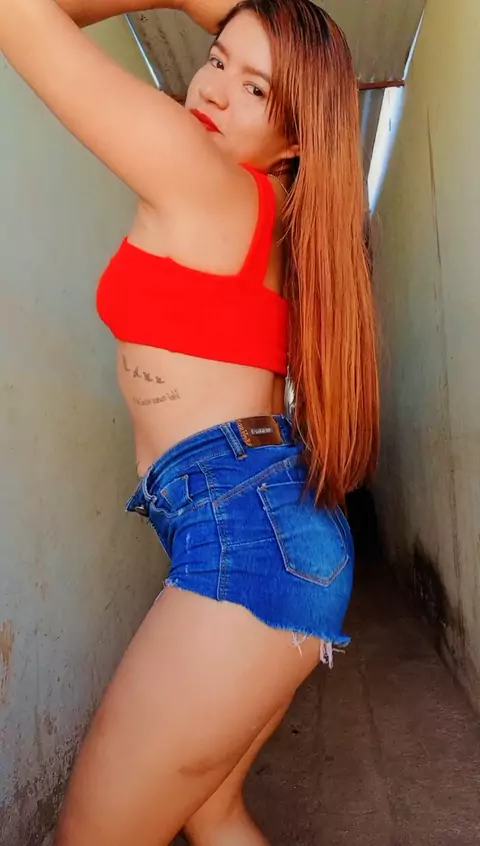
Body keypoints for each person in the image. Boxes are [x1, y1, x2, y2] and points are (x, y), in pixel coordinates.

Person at [0, 0, 379, 842]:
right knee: (214, 815)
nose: (212, 90)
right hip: (269, 525)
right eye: (215, 60)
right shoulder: (275, 213)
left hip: (247, 534)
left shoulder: (202, 177)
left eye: (256, 89)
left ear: (295, 140)